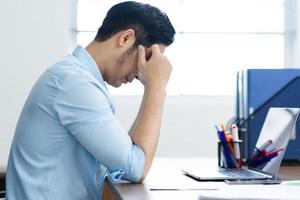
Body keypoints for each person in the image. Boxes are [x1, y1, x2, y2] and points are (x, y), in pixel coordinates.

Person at [6, 1, 175, 200]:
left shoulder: (80, 79)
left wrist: (152, 88)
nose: (142, 72)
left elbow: (126, 160)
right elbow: (135, 167)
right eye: (146, 58)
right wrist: (157, 87)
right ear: (126, 38)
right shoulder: (75, 84)